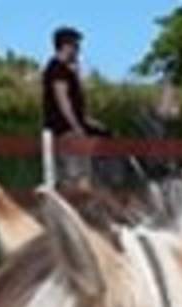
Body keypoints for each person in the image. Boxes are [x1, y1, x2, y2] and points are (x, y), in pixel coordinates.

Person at [41, 26, 107, 188]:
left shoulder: (67, 70)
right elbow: (63, 101)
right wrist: (77, 127)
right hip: (64, 128)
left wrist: (87, 121)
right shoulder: (57, 69)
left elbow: (75, 102)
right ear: (66, 46)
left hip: (71, 125)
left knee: (104, 137)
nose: (79, 51)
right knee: (75, 173)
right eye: (76, 46)